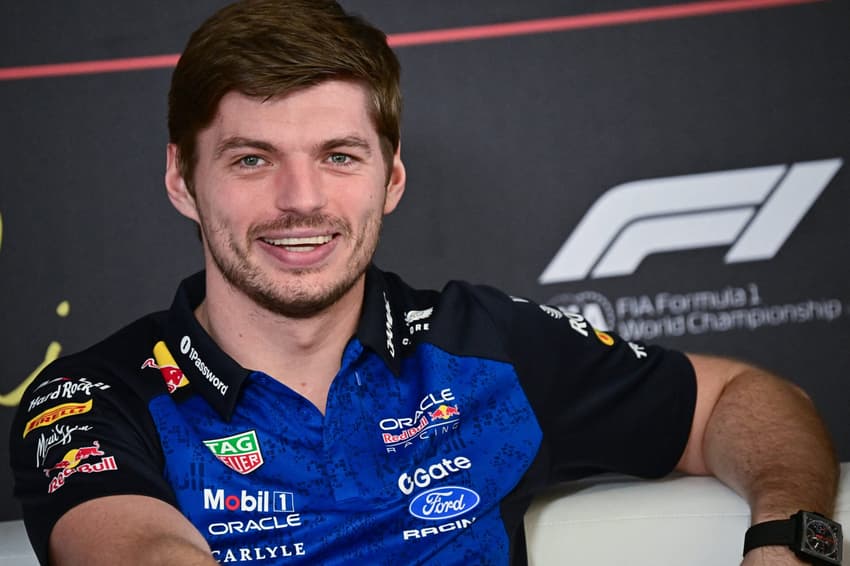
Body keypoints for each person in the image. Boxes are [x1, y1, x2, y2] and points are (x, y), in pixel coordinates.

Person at [9, 1, 840, 565]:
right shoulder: (92, 394)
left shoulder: (485, 346)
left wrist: (790, 540)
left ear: (391, 180)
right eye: (252, 159)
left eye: (339, 157)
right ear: (182, 181)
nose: (301, 201)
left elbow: (748, 400)